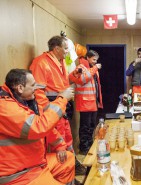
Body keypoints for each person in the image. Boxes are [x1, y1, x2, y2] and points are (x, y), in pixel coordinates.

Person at [0, 69, 75, 184]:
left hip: (35, 163)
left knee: (67, 159)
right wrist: (62, 99)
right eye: (33, 85)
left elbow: (46, 126)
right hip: (20, 175)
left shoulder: (26, 101)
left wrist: (60, 145)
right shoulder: (5, 107)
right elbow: (39, 127)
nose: (37, 88)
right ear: (20, 88)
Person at [29, 35, 86, 178]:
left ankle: (71, 175)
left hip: (62, 108)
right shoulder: (41, 63)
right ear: (56, 48)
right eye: (65, 49)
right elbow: (37, 92)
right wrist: (49, 111)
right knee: (57, 147)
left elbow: (65, 82)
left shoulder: (61, 62)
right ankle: (60, 178)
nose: (67, 52)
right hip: (52, 111)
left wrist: (75, 73)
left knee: (67, 141)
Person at [69, 50, 103, 155]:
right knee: (85, 126)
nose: (95, 61)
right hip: (85, 103)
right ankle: (84, 148)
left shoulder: (93, 69)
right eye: (93, 59)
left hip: (93, 102)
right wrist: (95, 68)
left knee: (92, 125)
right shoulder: (80, 67)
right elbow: (83, 79)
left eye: (96, 60)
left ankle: (90, 145)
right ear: (87, 58)